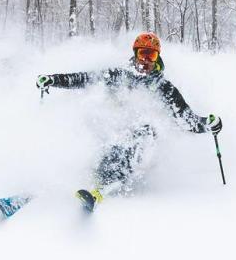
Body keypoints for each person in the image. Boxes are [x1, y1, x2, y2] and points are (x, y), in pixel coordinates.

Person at [36, 32, 222, 212]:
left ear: (157, 58)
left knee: (146, 130)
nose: (146, 60)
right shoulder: (118, 76)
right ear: (135, 54)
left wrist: (207, 124)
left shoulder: (164, 88)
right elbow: (83, 79)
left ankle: (102, 187)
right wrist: (53, 80)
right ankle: (56, 177)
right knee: (92, 118)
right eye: (143, 53)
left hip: (137, 148)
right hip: (109, 133)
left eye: (151, 55)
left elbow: (186, 120)